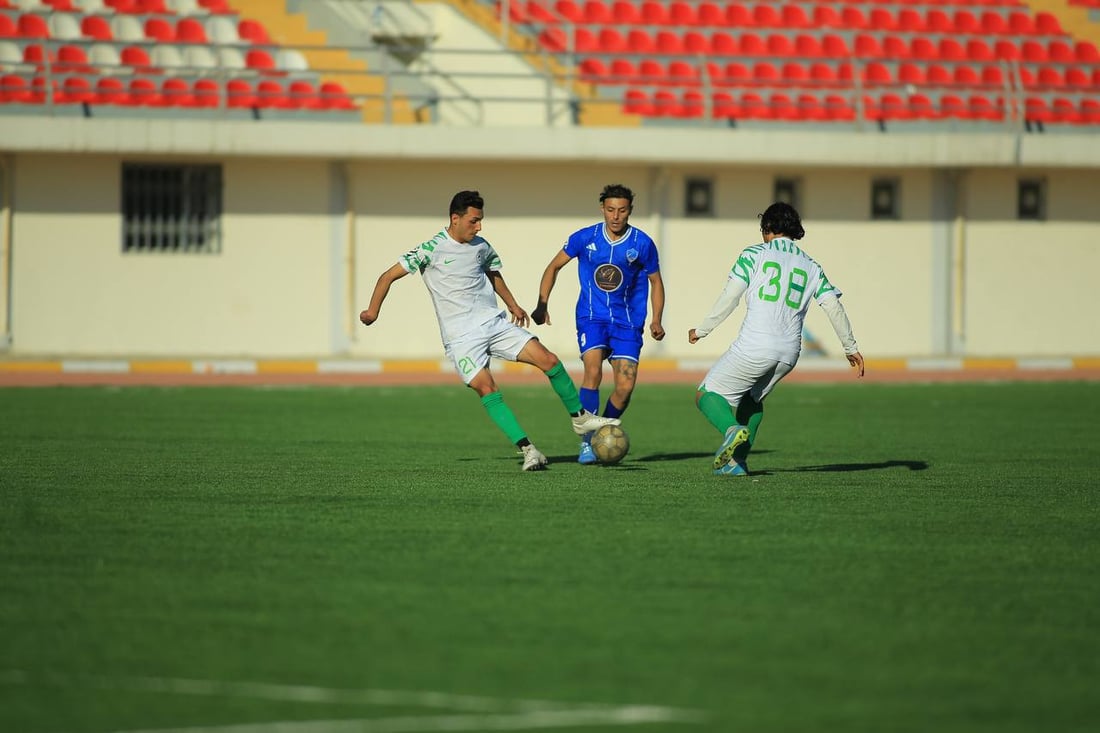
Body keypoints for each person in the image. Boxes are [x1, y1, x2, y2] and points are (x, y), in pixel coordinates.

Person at [359, 190, 619, 472]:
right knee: (487, 388)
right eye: (473, 221)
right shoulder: (430, 249)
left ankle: (580, 418)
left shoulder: (481, 246)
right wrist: (372, 311)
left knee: (550, 360)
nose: (479, 226)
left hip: (493, 324)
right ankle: (529, 451)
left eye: (480, 220)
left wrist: (513, 305)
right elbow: (387, 277)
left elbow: (493, 274)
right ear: (455, 219)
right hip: (460, 338)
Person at [688, 202, 865, 476]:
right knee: (752, 401)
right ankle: (737, 464)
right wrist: (850, 347)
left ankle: (731, 429)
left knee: (706, 394)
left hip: (755, 345)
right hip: (789, 352)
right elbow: (833, 306)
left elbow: (731, 297)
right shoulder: (812, 266)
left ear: (767, 228)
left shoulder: (754, 254)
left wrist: (702, 330)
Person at [530, 184, 666, 465]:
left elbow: (656, 281)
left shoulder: (642, 243)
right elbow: (553, 266)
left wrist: (656, 319)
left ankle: (602, 430)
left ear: (630, 211)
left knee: (625, 387)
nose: (616, 216)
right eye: (611, 209)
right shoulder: (585, 238)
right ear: (603, 209)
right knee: (592, 372)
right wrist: (542, 303)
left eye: (622, 210)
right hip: (592, 317)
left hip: (627, 323)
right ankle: (587, 443)